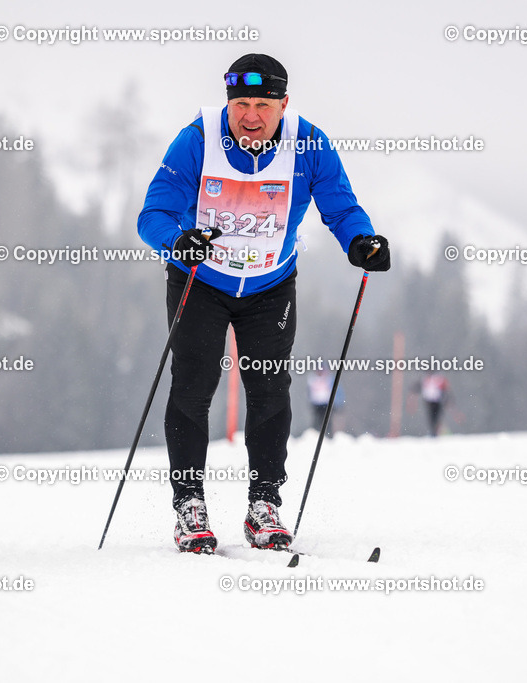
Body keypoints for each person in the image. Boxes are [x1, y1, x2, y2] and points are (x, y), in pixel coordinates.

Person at [137, 53, 390, 553]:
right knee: (193, 387)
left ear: (284, 104)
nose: (250, 116)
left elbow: (340, 206)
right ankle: (189, 506)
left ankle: (264, 504)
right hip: (201, 282)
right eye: (241, 104)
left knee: (270, 389)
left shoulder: (309, 143)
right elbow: (154, 213)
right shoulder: (198, 140)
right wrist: (177, 241)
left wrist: (362, 240)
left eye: (262, 104)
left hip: (270, 286)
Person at [307, 368, 344, 438]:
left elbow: (337, 391)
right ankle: (316, 436)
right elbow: (310, 392)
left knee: (327, 421)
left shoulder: (329, 379)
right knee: (317, 421)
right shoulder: (312, 379)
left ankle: (328, 436)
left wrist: (339, 402)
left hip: (327, 404)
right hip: (316, 404)